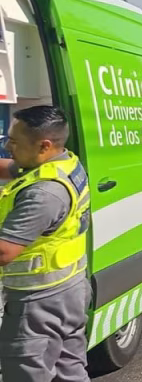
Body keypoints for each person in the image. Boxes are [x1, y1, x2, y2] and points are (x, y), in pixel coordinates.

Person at [0, 106, 91, 382]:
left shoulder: (44, 193)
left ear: (44, 145)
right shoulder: (63, 164)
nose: (7, 146)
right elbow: (11, 168)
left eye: (14, 141)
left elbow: (5, 252)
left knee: (26, 373)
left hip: (37, 300)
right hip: (69, 289)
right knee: (69, 371)